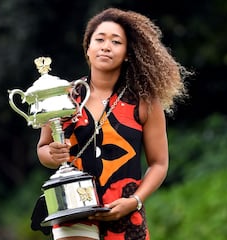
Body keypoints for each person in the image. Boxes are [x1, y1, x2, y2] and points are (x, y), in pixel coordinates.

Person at [37, 7, 188, 240]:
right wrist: (53, 154)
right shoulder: (62, 96)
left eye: (116, 42)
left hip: (125, 212)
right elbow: (43, 149)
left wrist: (134, 201)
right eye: (99, 39)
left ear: (128, 53)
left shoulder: (145, 103)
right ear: (88, 48)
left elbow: (159, 164)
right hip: (73, 211)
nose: (106, 46)